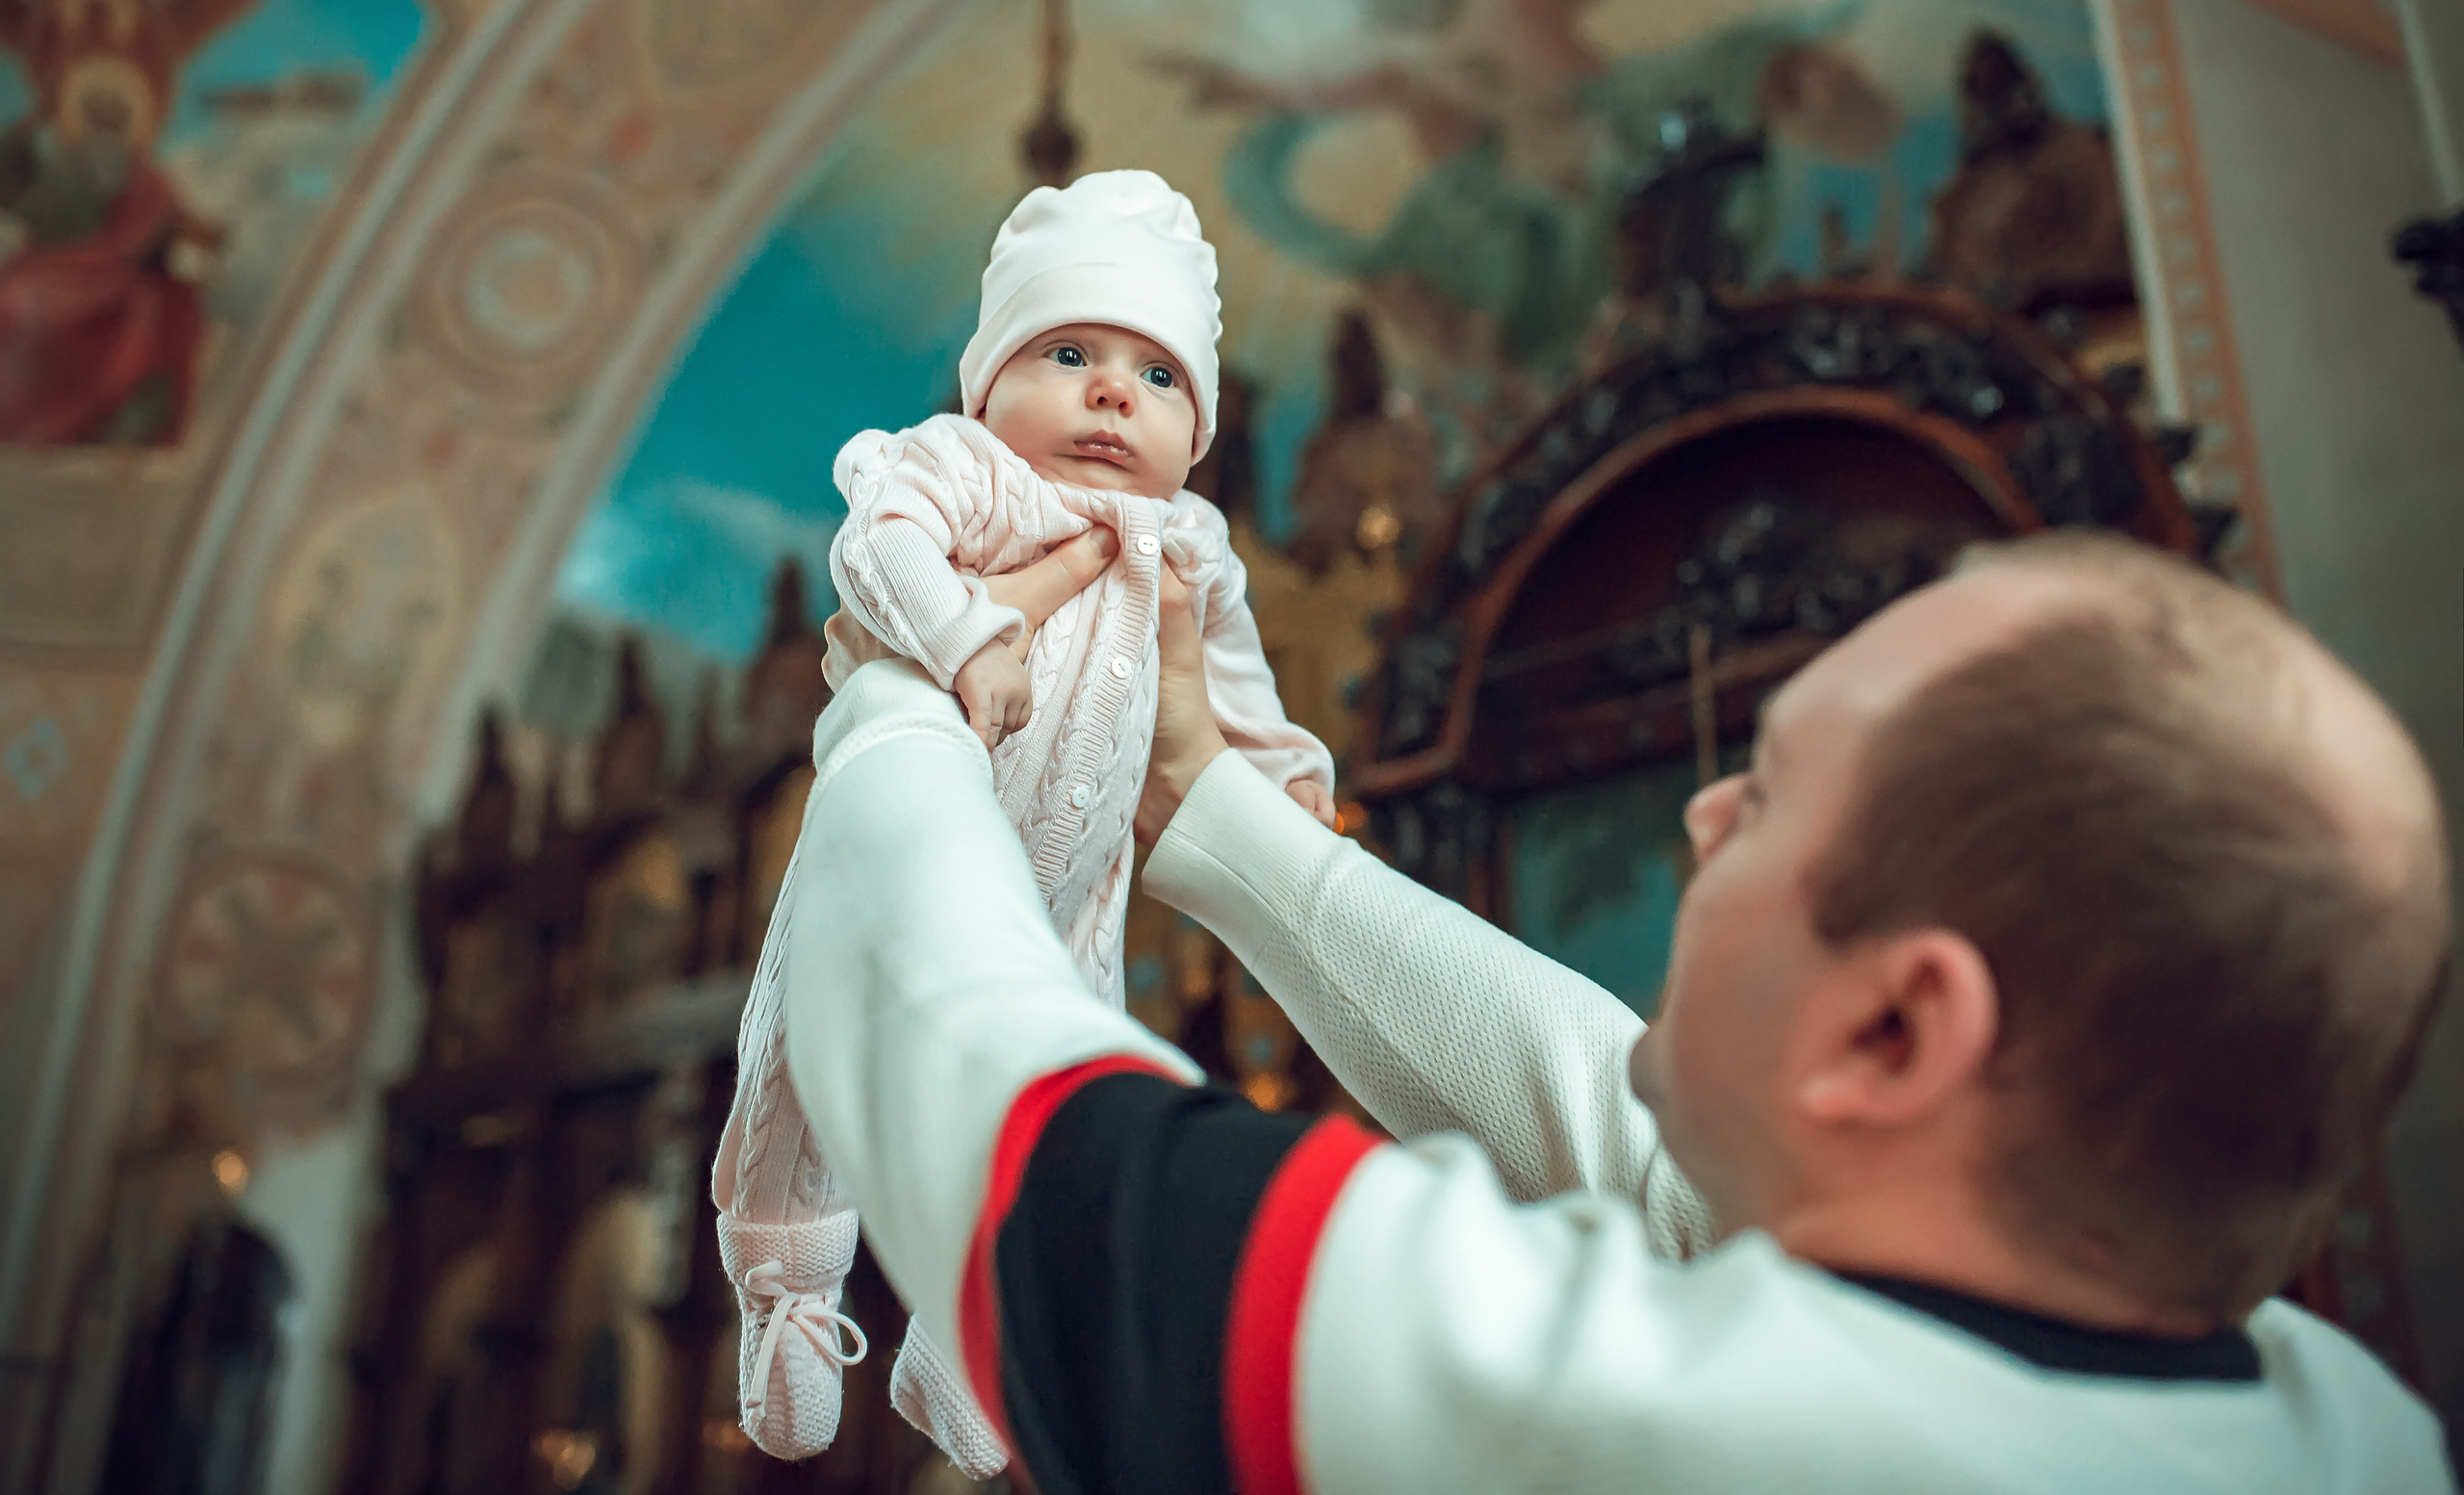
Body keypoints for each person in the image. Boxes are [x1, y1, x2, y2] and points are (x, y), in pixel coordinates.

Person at [788, 529, 2455, 1492]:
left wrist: (902, 708)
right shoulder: (2347, 1426)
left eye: (1772, 791)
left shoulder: (1673, 1448)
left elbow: (1001, 1131)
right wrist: (1208, 808)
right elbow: (1651, 1173)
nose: (1700, 812)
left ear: (1894, 1033)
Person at [711, 168, 1336, 1474]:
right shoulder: (976, 476)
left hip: (1075, 897)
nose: (1114, 392)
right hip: (889, 856)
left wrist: (1290, 791)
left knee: (1054, 1095)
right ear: (988, 386)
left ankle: (969, 1345)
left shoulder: (1192, 547)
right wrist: (967, 633)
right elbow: (879, 543)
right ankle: (784, 1289)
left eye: (1160, 377)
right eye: (1069, 353)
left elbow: (1232, 693)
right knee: (806, 1051)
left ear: (1200, 429)